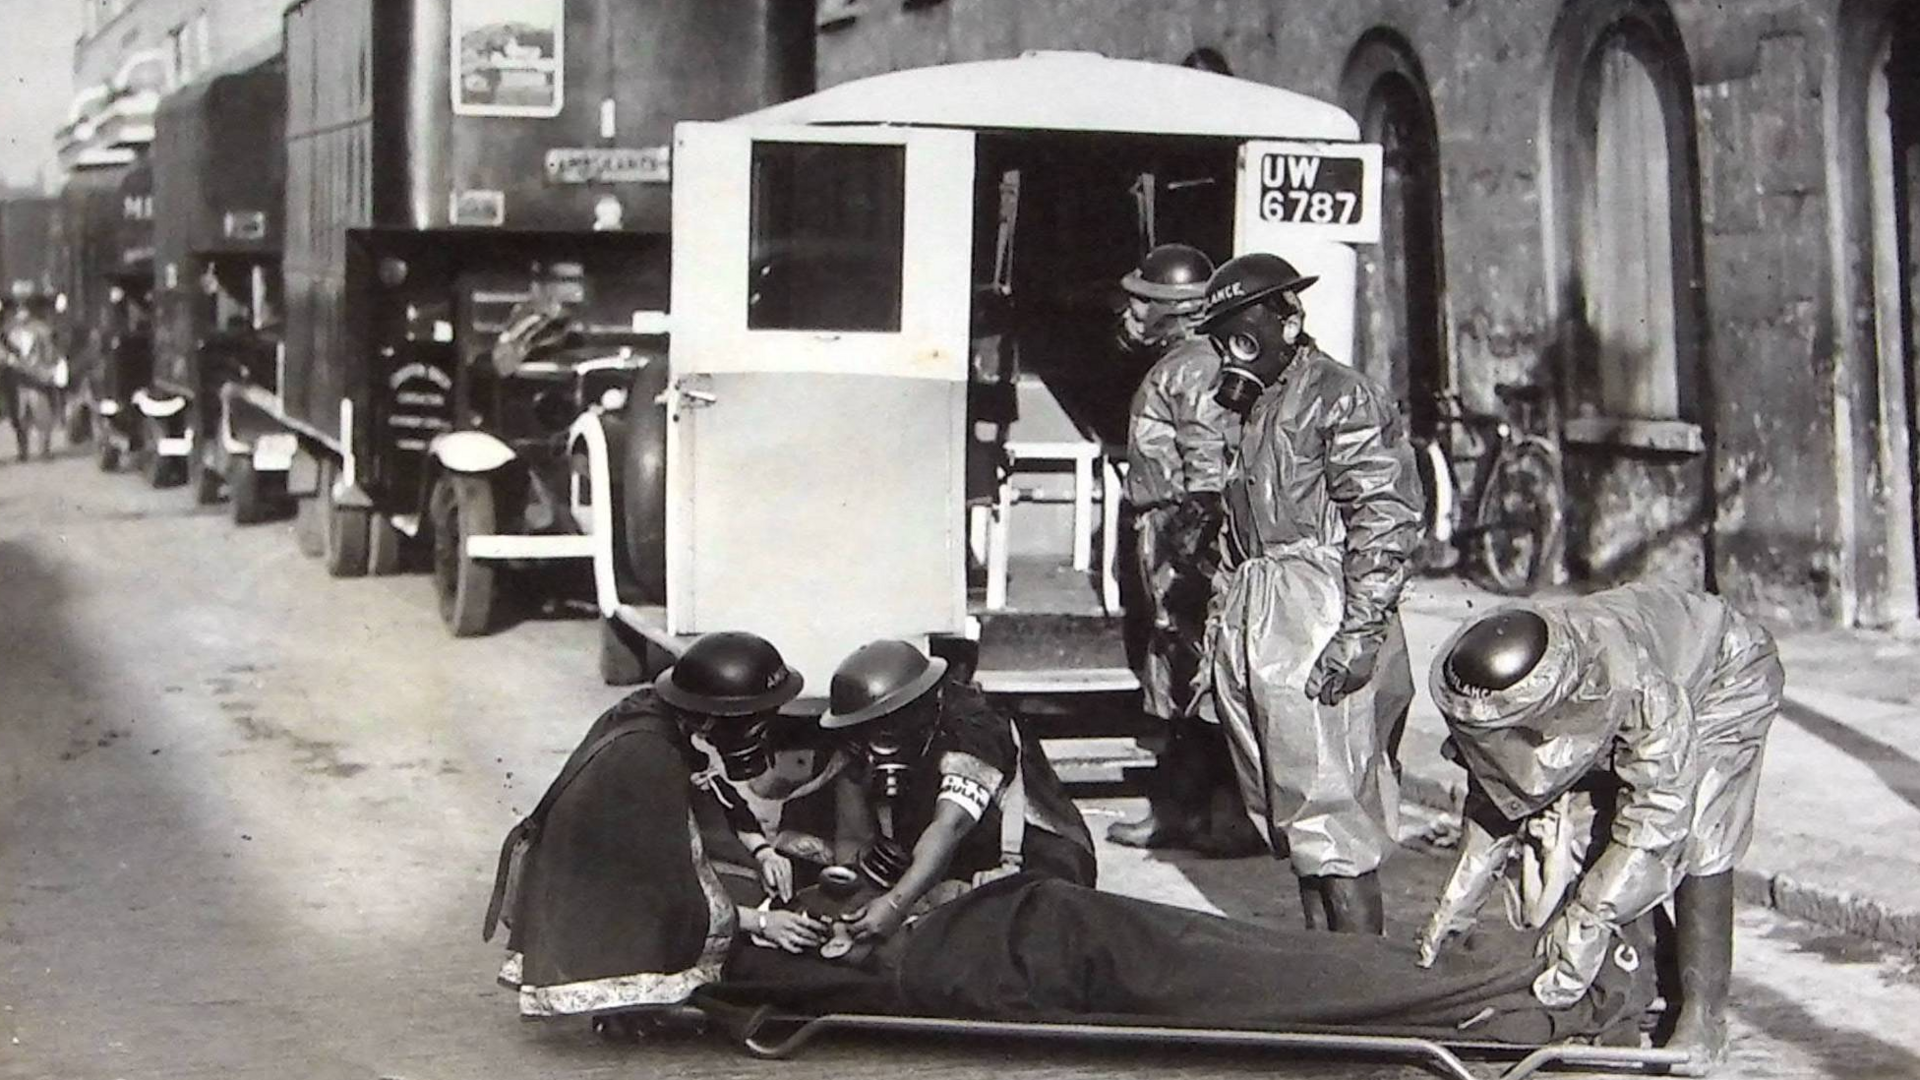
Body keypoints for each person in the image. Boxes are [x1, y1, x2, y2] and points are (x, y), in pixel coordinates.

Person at [1416, 582, 1784, 1070]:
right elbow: (1498, 798)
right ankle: (1642, 981)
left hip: (1722, 675)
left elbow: (1656, 823)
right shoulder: (1507, 682)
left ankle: (1703, 1017)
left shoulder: (1633, 683)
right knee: (1588, 844)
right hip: (1637, 676)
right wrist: (1452, 912)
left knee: (1699, 837)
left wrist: (1588, 921)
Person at [1197, 252, 1424, 934]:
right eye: (1224, 339)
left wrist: (1359, 634)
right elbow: (1234, 529)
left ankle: (1362, 997)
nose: (1235, 354)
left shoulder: (1338, 396)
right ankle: (1325, 980)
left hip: (1319, 611)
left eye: (1245, 334)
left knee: (1334, 820)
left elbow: (1384, 516)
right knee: (1296, 821)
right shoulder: (1252, 407)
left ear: (1288, 320)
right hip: (1262, 613)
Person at [486, 631, 830, 1027]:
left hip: (597, 877)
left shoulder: (655, 716)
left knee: (748, 887)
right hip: (599, 907)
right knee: (761, 956)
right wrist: (762, 922)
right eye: (756, 719)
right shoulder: (648, 760)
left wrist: (761, 849)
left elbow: (707, 788)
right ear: (721, 716)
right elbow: (665, 889)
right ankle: (635, 999)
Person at [1107, 243, 1260, 858]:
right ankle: (1175, 807)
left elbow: (1207, 471)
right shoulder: (1183, 362)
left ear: (1173, 310)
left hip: (1183, 534)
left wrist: (1194, 556)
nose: (1130, 315)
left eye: (1142, 303)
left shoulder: (1193, 368)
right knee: (1170, 673)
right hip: (1162, 529)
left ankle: (1225, 817)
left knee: (1203, 677)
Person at [818, 640, 1096, 942]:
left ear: (920, 706)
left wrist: (896, 903)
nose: (877, 740)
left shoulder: (973, 727)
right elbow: (852, 838)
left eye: (885, 729)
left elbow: (949, 826)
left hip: (1036, 858)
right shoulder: (863, 734)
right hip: (958, 859)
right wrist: (857, 896)